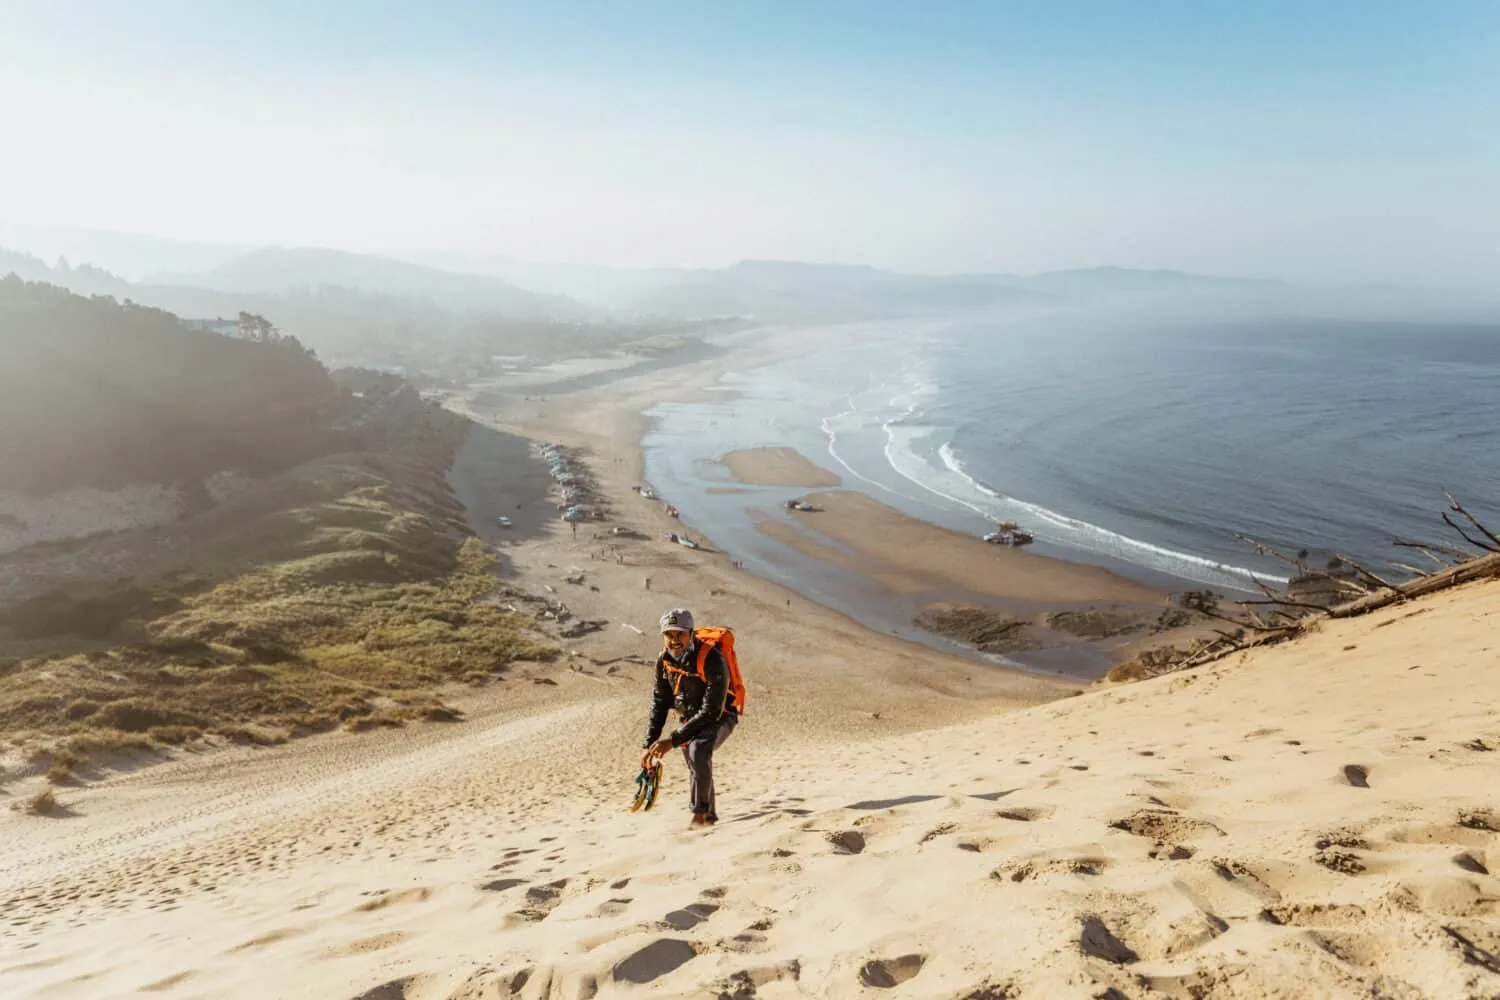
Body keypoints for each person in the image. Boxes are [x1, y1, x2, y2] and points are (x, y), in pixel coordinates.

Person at [641, 608, 739, 828]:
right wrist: (650, 743)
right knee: (695, 762)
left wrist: (672, 740)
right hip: (689, 717)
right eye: (669, 635)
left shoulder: (713, 659)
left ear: (691, 634)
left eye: (680, 634)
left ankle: (700, 815)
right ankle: (710, 815)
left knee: (698, 750)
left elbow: (712, 710)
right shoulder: (664, 661)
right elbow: (660, 701)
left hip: (721, 715)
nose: (674, 640)